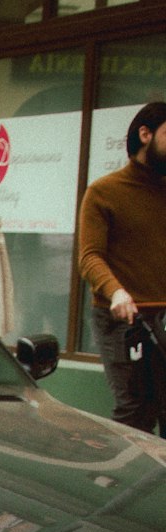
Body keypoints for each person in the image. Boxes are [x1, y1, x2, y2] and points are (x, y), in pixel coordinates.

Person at [78, 100, 166, 434]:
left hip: (163, 316)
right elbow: (89, 257)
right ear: (145, 134)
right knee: (136, 410)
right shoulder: (104, 192)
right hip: (122, 319)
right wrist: (116, 292)